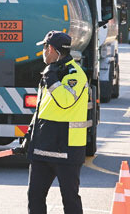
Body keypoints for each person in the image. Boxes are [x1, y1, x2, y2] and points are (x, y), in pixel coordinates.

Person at [24, 30, 89, 214]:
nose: (43, 51)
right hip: (42, 147)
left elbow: (65, 102)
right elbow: (41, 108)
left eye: (44, 47)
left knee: (70, 200)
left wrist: (52, 80)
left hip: (67, 150)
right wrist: (30, 134)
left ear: (51, 48)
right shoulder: (49, 72)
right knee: (35, 197)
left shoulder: (75, 74)